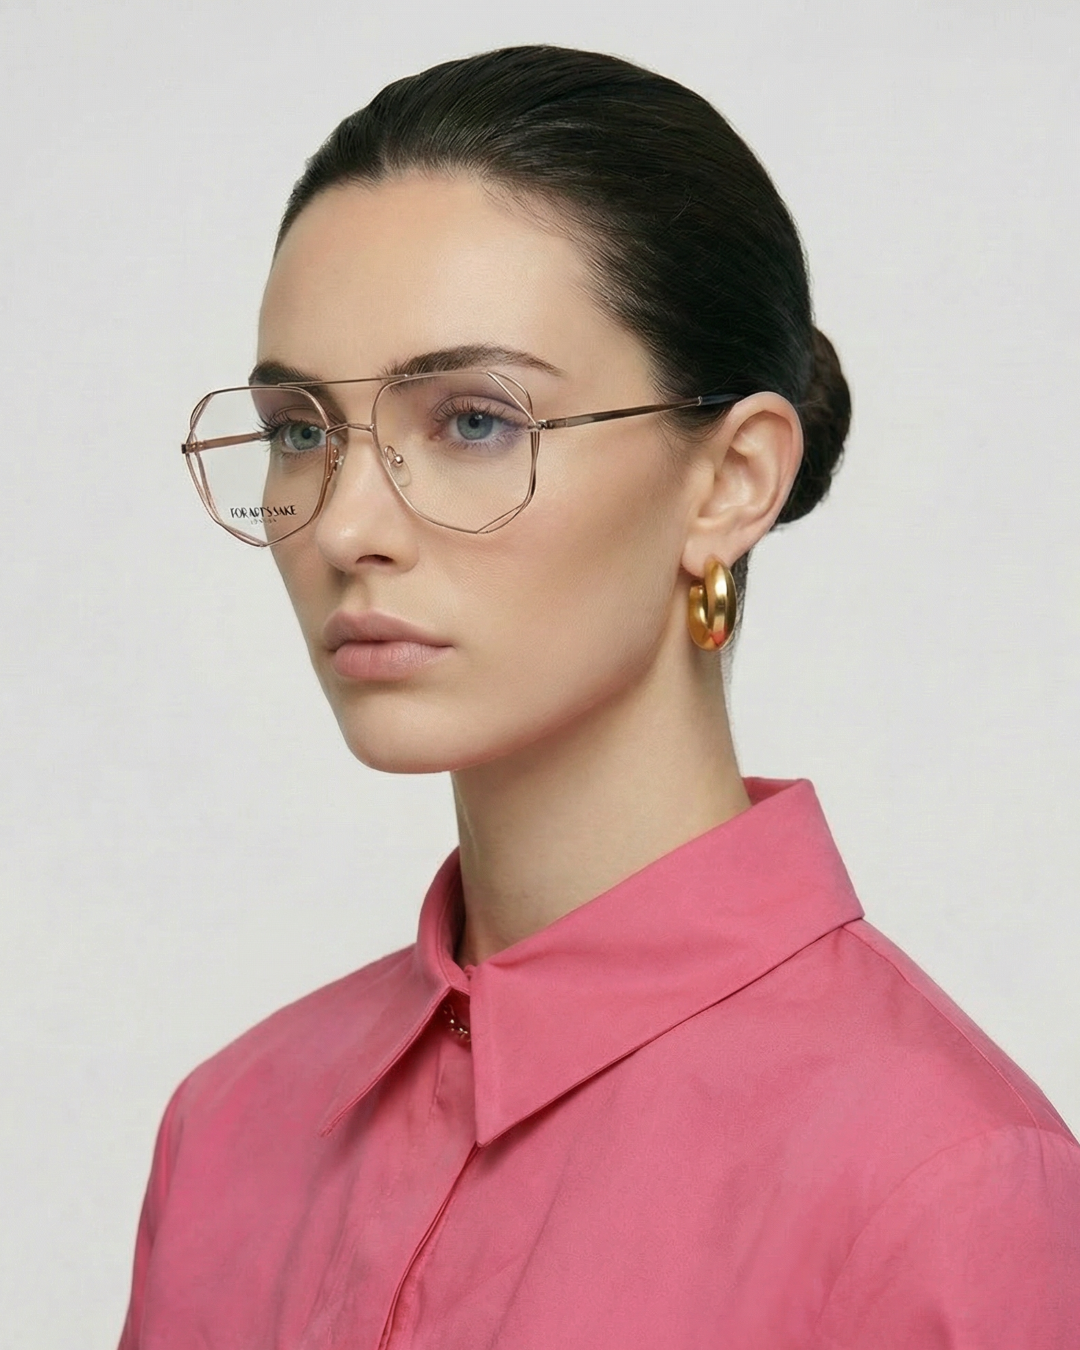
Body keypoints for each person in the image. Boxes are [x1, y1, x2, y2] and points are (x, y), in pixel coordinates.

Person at [119, 44, 1080, 1349]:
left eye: (473, 420)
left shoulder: (943, 1185)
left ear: (729, 481)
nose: (346, 525)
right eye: (301, 430)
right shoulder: (234, 1129)